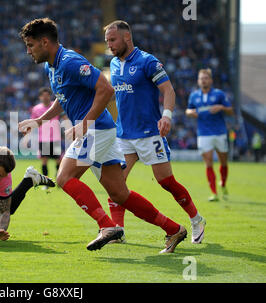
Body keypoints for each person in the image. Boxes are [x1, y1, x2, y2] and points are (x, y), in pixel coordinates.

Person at [19, 18, 187, 253]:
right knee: (120, 194)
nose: (28, 51)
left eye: (30, 45)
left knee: (64, 178)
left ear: (45, 42)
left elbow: (106, 89)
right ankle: (173, 229)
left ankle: (106, 226)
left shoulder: (70, 62)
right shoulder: (52, 66)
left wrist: (85, 124)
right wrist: (39, 120)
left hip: (96, 129)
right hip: (101, 130)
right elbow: (63, 98)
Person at [104, 20, 206, 244]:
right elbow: (117, 94)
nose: (109, 45)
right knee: (116, 185)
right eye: (107, 41)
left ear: (127, 38)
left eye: (113, 40)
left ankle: (196, 218)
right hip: (123, 135)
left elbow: (168, 90)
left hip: (150, 133)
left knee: (166, 181)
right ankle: (117, 230)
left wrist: (166, 116)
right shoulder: (112, 64)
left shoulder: (147, 61)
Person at [186, 68, 234, 201]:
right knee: (208, 163)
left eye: (206, 78)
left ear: (211, 80)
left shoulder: (219, 94)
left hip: (220, 133)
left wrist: (222, 108)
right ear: (198, 81)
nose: (203, 80)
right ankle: (214, 193)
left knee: (223, 162)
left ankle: (223, 184)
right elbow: (188, 110)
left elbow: (231, 111)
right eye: (201, 78)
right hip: (203, 134)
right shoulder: (194, 95)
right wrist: (190, 113)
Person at [30, 87, 62, 182]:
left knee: (58, 160)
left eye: (47, 95)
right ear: (40, 97)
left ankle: (58, 179)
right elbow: (33, 122)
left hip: (55, 138)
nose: (45, 97)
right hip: (43, 139)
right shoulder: (36, 109)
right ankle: (46, 181)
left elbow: (64, 117)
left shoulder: (55, 106)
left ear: (50, 96)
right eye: (43, 96)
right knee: (44, 160)